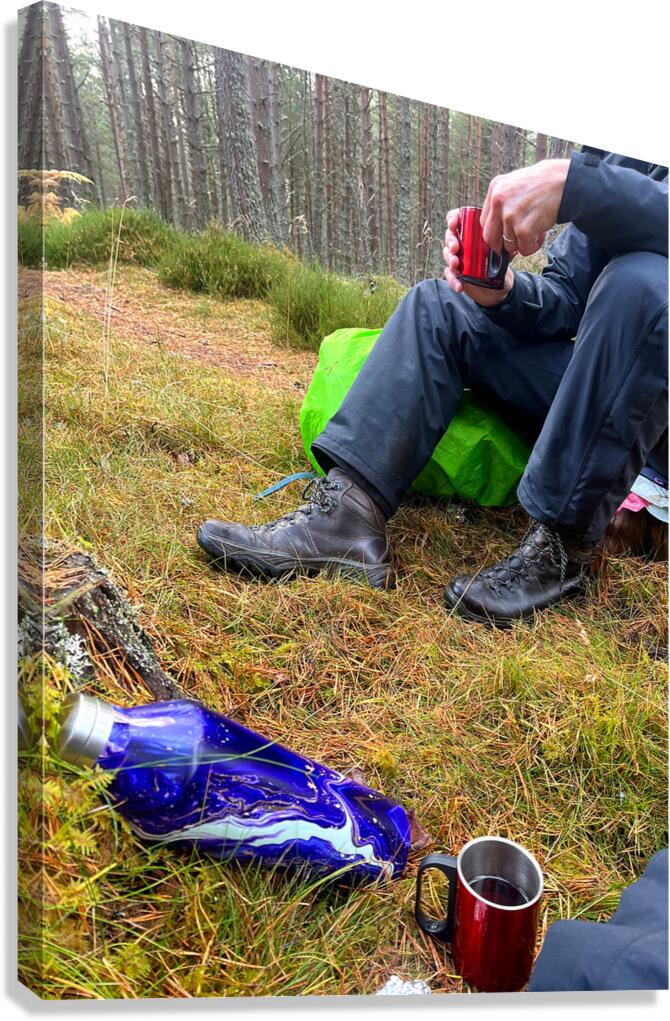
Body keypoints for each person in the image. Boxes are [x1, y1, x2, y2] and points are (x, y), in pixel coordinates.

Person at [197, 147, 668, 627]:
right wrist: (504, 293)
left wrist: (577, 185)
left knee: (642, 284)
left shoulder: (597, 175)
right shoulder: (622, 152)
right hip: (601, 382)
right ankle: (346, 519)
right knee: (439, 306)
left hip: (657, 413)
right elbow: (567, 296)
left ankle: (562, 553)